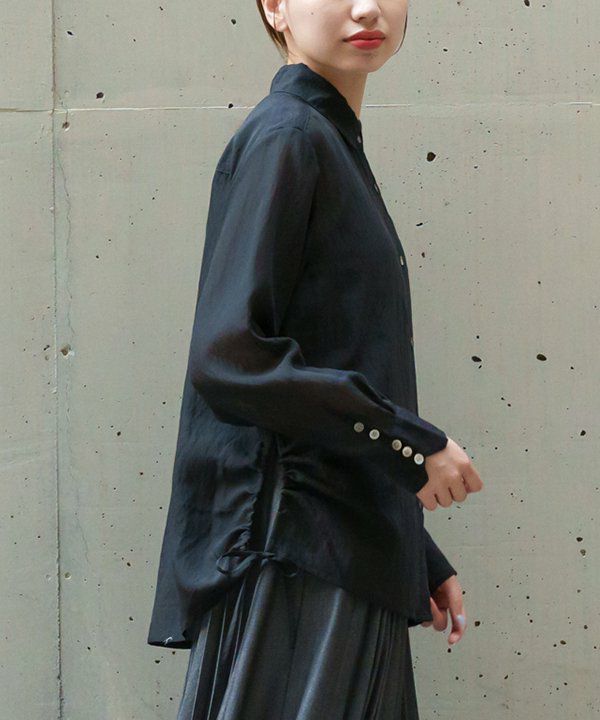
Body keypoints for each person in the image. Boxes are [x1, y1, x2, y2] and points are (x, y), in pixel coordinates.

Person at [147, 1, 484, 717]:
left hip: (337, 549)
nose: (367, 8)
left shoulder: (326, 140)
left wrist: (412, 545)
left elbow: (331, 350)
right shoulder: (290, 138)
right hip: (299, 559)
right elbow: (229, 354)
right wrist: (410, 443)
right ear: (274, 6)